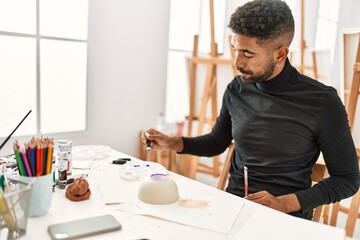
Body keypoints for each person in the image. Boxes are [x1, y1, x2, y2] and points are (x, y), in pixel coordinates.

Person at [142, 0, 359, 220]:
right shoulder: (236, 89)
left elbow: (348, 179)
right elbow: (216, 142)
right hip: (232, 208)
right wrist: (173, 143)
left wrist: (283, 203)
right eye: (235, 49)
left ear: (280, 54)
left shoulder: (322, 102)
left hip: (285, 219)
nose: (237, 62)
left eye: (247, 54)